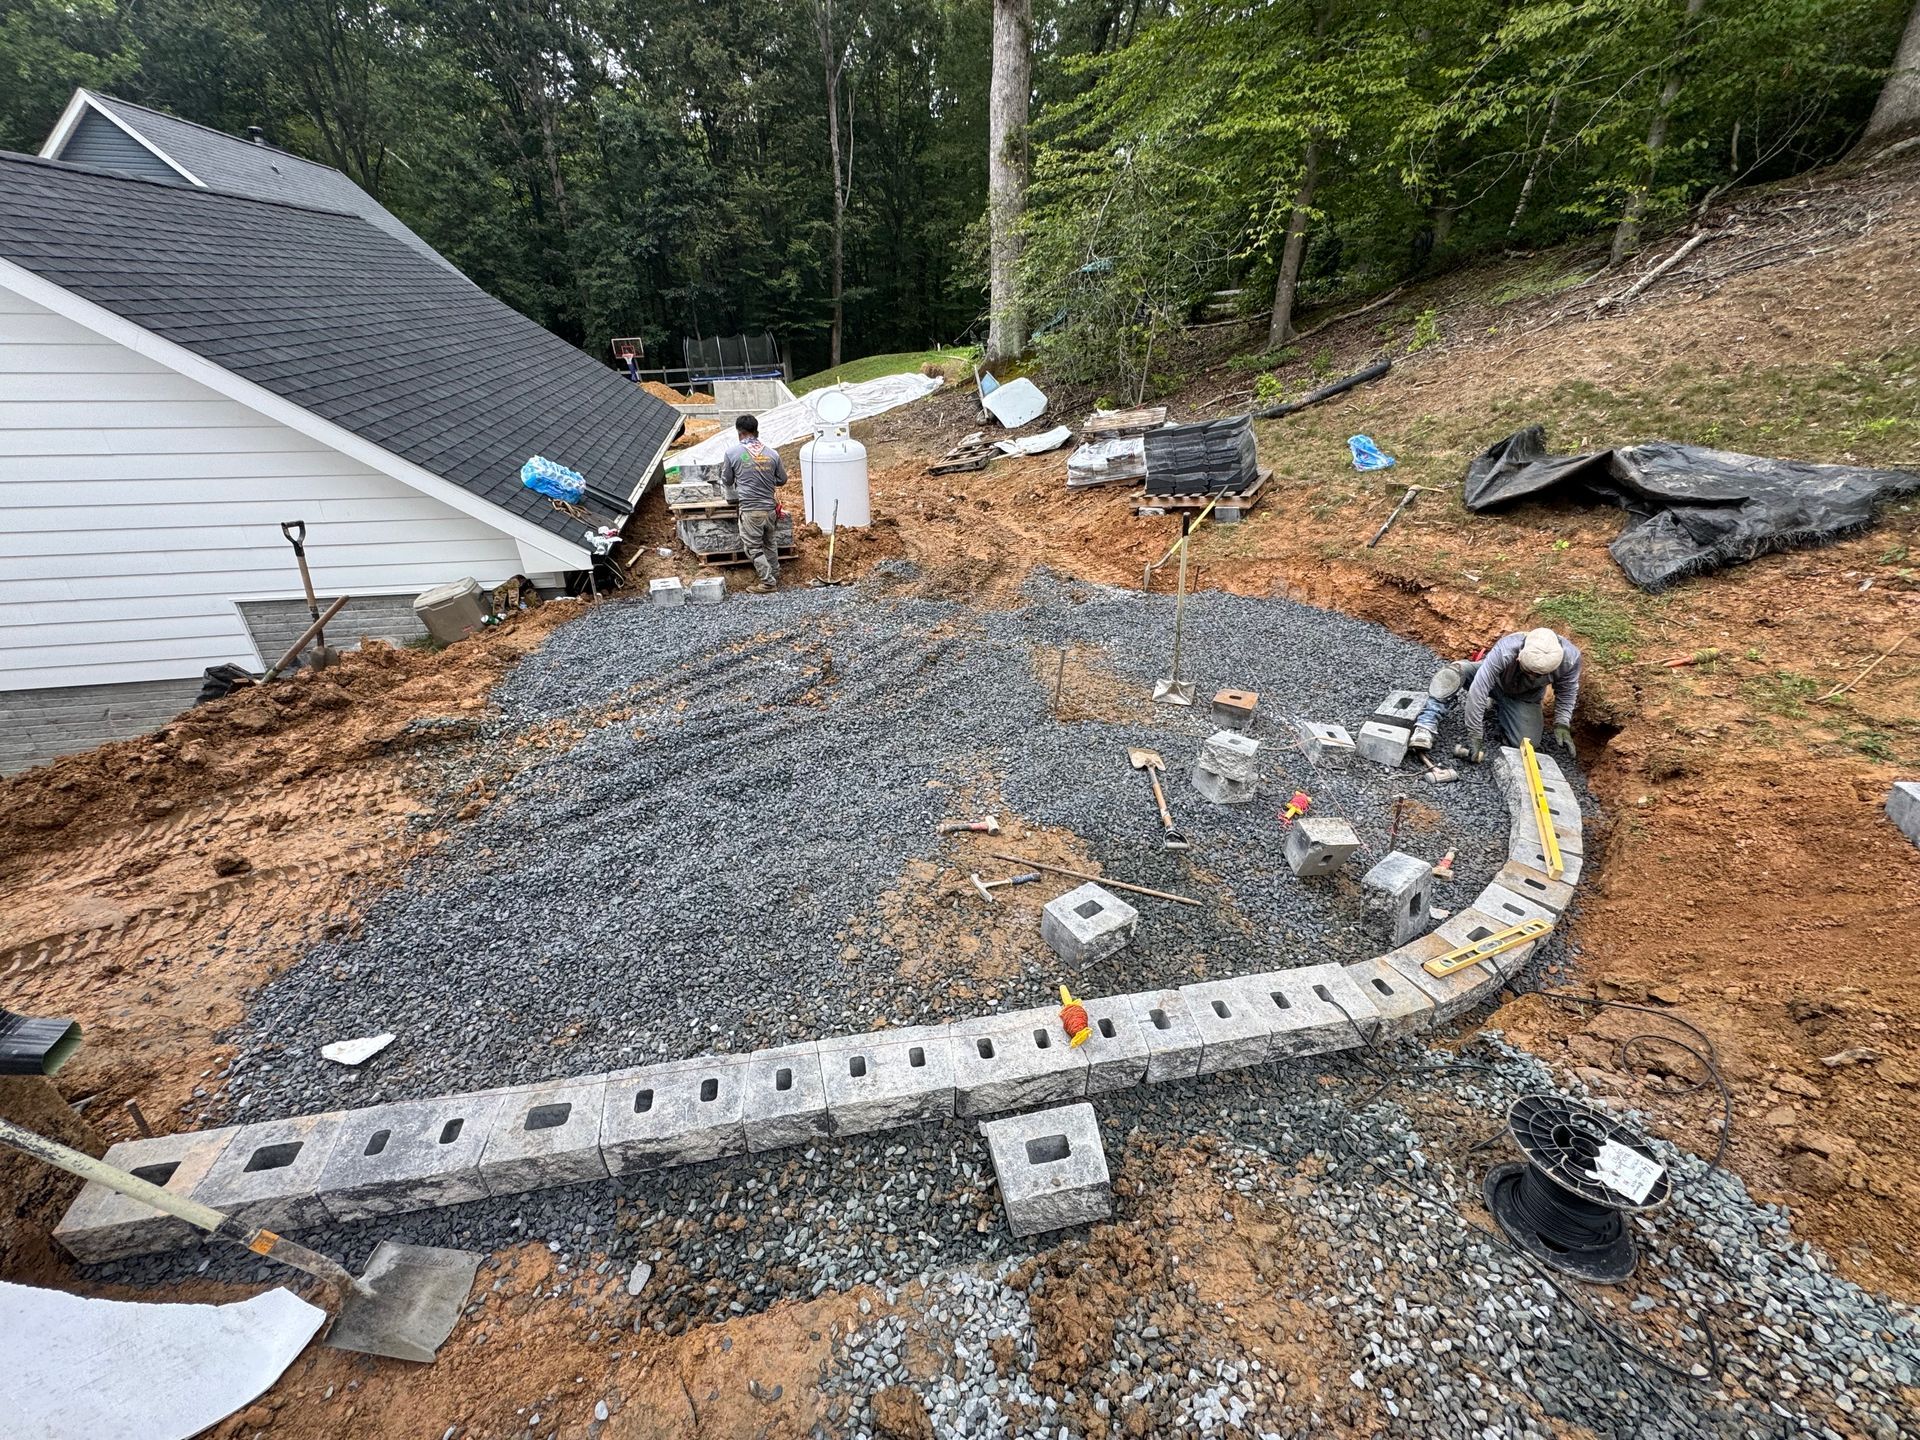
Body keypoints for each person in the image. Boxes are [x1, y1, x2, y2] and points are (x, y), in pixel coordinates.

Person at [1410, 627, 1582, 764]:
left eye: (1538, 675)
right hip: (1494, 682)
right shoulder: (1507, 649)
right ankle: (1426, 723)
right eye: (1528, 671)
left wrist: (1562, 723)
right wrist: (1475, 734)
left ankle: (1502, 710)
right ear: (1519, 657)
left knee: (1525, 744)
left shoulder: (1570, 660)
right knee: (1452, 674)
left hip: (1524, 697)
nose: (1531, 676)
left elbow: (1567, 691)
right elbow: (1479, 689)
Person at [722, 414, 789, 592]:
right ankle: (775, 575)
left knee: (752, 547)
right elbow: (782, 479)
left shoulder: (732, 453)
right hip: (770, 509)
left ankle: (768, 582)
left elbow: (727, 480)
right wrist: (765, 480)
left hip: (751, 510)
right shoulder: (772, 453)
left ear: (739, 433)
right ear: (757, 431)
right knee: (769, 543)